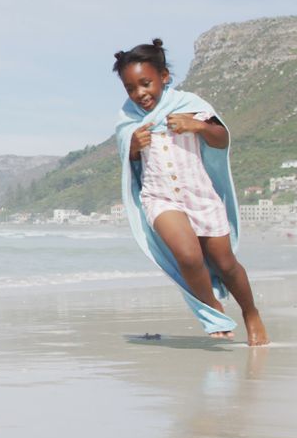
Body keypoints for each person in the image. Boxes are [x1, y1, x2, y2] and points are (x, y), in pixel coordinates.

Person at [114, 38, 269, 346]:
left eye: (145, 83)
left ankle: (251, 313)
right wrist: (132, 145)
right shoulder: (129, 117)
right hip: (160, 197)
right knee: (187, 255)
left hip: (200, 194)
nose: (140, 94)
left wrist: (196, 126)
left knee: (225, 264)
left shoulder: (191, 105)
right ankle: (211, 309)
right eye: (131, 88)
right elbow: (126, 157)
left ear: (164, 77)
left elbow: (221, 139)